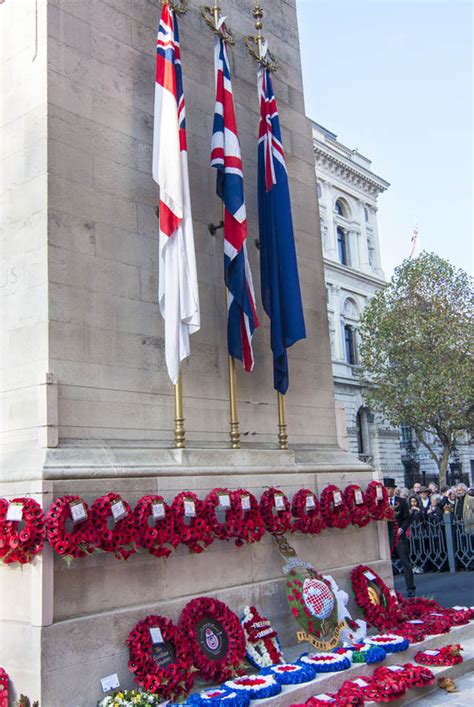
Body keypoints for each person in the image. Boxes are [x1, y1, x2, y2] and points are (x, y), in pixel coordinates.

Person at [384, 477, 415, 597]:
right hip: (387, 537)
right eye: (386, 489)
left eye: (389, 489)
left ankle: (410, 587)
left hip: (399, 536)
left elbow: (408, 518)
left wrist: (402, 529)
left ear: (393, 489)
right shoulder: (381, 503)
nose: (388, 491)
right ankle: (389, 589)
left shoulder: (401, 501)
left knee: (405, 562)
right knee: (387, 562)